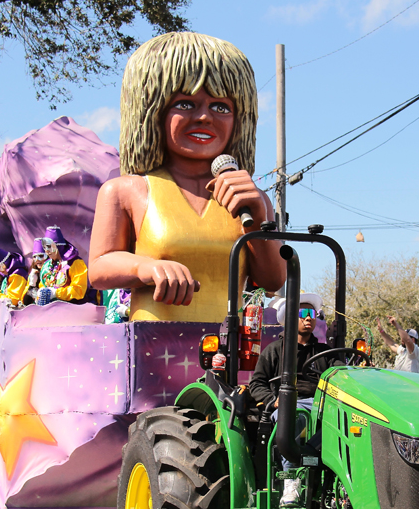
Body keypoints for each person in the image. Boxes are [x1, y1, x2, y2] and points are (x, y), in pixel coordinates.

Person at [88, 32, 285, 323]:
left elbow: (273, 280)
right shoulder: (125, 191)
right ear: (152, 110)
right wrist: (146, 268)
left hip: (228, 353)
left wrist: (257, 217)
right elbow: (99, 268)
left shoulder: (253, 200)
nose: (204, 117)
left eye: (221, 107)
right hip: (153, 348)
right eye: (185, 104)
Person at [249, 293, 332, 506]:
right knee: (292, 416)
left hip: (320, 404)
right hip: (288, 404)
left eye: (312, 314)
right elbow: (256, 384)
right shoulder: (275, 351)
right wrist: (274, 400)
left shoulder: (325, 353)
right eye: (303, 313)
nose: (309, 318)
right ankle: (291, 481)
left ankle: (322, 472)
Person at [37, 226, 92, 304]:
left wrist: (56, 293)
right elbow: (43, 286)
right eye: (44, 248)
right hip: (50, 310)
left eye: (49, 247)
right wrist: (40, 294)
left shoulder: (75, 263)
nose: (47, 251)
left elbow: (79, 291)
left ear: (58, 246)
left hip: (72, 309)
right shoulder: (47, 265)